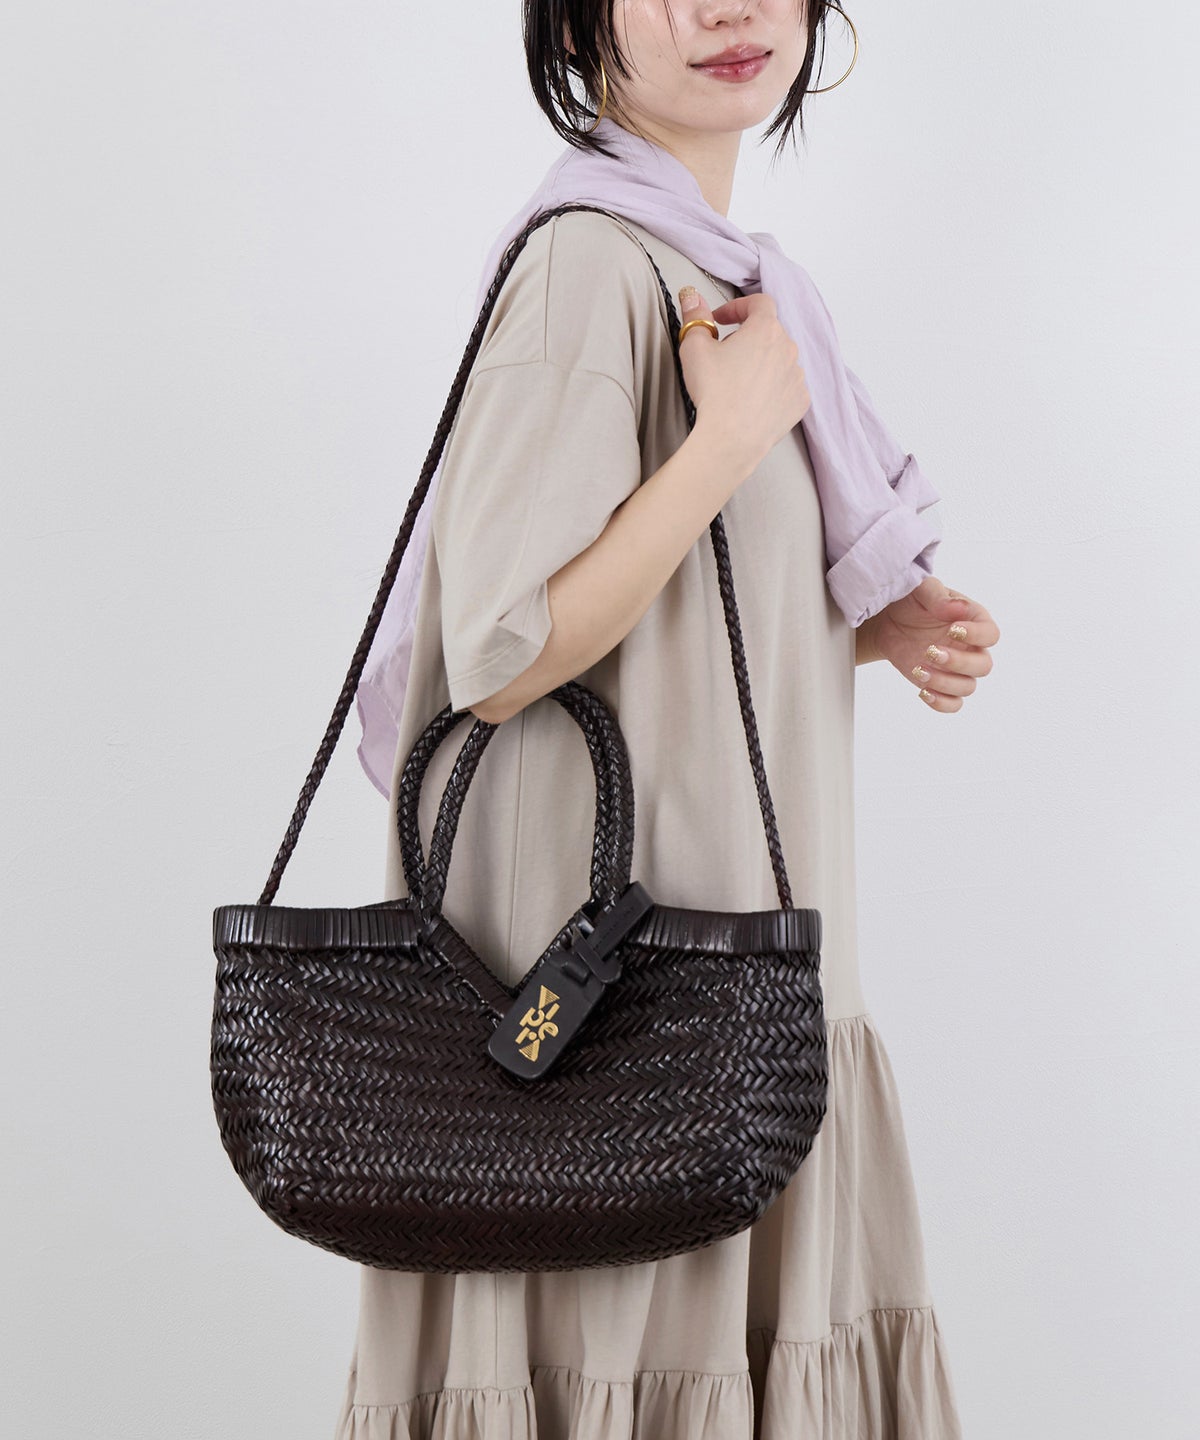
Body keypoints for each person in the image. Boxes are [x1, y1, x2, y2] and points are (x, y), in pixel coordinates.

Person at [336, 2, 998, 1436]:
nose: (727, 9)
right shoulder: (589, 266)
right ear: (579, 21)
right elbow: (503, 650)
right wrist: (730, 440)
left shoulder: (724, 274)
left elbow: (660, 601)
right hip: (619, 1021)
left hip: (722, 979)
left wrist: (858, 619)